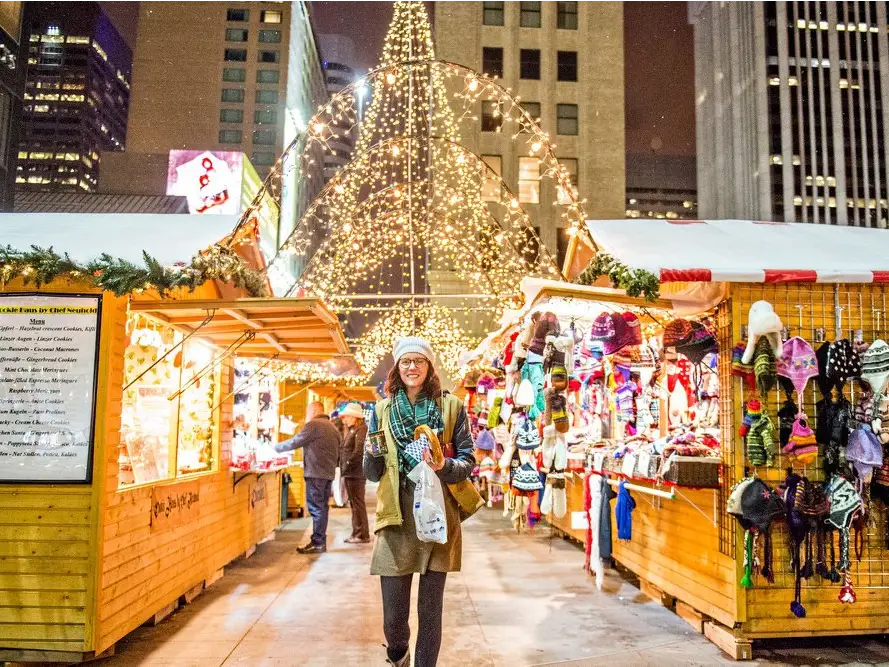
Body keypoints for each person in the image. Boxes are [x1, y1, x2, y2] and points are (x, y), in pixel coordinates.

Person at [364, 337, 475, 667]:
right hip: (396, 518)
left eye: (419, 361)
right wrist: (370, 453)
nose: (412, 367)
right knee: (393, 620)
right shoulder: (382, 411)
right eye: (405, 362)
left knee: (430, 613)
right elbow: (372, 473)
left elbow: (468, 460)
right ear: (397, 368)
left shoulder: (451, 407)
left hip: (438, 518)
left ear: (429, 366)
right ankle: (398, 656)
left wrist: (444, 465)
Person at [275, 400, 342, 554]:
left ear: (313, 411)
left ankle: (318, 542)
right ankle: (319, 541)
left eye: (307, 412)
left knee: (316, 508)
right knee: (322, 508)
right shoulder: (332, 427)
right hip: (327, 473)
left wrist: (275, 448)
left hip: (315, 473)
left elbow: (295, 442)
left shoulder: (313, 425)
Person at [339, 402, 370, 544]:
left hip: (355, 474)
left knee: (357, 504)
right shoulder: (354, 429)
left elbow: (358, 451)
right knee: (355, 504)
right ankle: (357, 532)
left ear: (354, 417)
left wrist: (347, 463)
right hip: (351, 473)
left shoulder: (361, 430)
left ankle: (361, 534)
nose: (345, 419)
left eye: (347, 416)